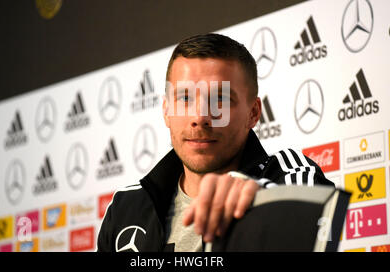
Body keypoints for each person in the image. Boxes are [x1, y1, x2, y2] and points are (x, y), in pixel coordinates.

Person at [97, 33, 334, 252]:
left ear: (253, 113)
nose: (200, 117)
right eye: (185, 98)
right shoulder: (127, 207)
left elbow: (310, 223)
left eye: (220, 99)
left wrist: (263, 203)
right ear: (166, 111)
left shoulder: (289, 175)